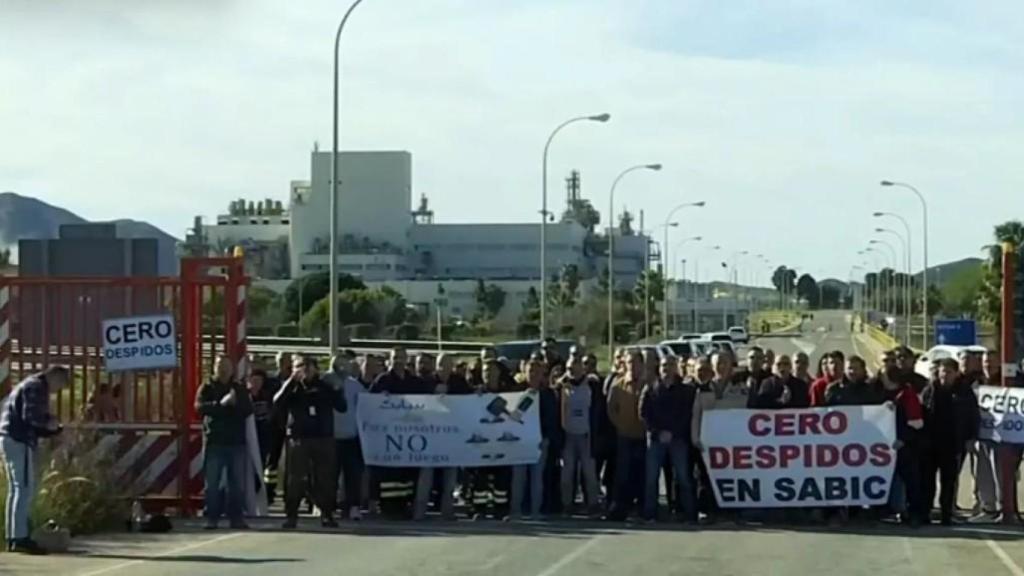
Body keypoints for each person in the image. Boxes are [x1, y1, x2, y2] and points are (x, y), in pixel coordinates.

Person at [1, 366, 69, 554]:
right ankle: (19, 537)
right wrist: (51, 425)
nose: (58, 389)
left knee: (17, 489)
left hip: (11, 437)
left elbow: (30, 417)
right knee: (23, 488)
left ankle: (14, 536)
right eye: (61, 384)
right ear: (54, 376)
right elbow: (31, 418)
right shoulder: (37, 387)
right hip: (19, 439)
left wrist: (51, 426)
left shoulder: (30, 384)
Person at [275, 354, 347, 529]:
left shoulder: (325, 387)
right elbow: (277, 403)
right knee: (295, 479)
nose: (304, 369)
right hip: (298, 439)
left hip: (322, 438)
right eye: (300, 366)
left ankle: (327, 514)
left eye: (308, 366)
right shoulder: (291, 388)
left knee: (325, 479)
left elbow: (342, 407)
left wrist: (337, 390)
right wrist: (291, 382)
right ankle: (291, 515)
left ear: (316, 368)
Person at [369, 347, 428, 519]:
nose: (398, 361)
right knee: (389, 474)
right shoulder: (382, 380)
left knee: (407, 473)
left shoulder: (415, 381)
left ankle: (404, 505)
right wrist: (380, 398)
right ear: (390, 360)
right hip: (389, 436)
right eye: (395, 358)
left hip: (410, 435)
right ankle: (388, 507)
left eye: (401, 358)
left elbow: (427, 402)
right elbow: (370, 403)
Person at [195, 355, 252, 531]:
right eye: (220, 366)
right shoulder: (207, 387)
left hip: (236, 443)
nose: (223, 370)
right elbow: (199, 408)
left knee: (237, 485)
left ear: (232, 369)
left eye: (226, 366)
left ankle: (236, 518)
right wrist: (221, 404)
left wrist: (235, 404)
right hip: (214, 442)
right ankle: (212, 518)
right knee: (212, 484)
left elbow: (248, 410)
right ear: (214, 368)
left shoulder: (239, 389)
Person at [922, 358, 979, 525]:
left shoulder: (964, 391)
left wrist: (971, 438)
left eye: (948, 371)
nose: (944, 375)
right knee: (927, 480)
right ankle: (926, 512)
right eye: (942, 371)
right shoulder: (930, 390)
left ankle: (947, 514)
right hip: (931, 442)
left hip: (953, 442)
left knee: (949, 481)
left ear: (955, 373)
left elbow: (973, 416)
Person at [414, 353, 471, 521]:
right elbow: (416, 402)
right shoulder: (427, 382)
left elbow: (471, 400)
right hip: (430, 435)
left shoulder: (458, 382)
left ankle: (447, 510)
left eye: (447, 365)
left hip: (452, 436)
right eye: (441, 365)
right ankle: (420, 511)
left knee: (450, 475)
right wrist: (433, 393)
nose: (444, 369)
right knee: (426, 474)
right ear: (436, 366)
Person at [640, 355, 697, 523]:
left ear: (676, 368)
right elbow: (643, 414)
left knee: (683, 478)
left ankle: (690, 514)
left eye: (671, 365)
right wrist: (658, 432)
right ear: (659, 368)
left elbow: (687, 415)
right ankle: (650, 514)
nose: (667, 368)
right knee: (651, 478)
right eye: (664, 365)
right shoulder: (650, 388)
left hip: (678, 439)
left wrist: (673, 432)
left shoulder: (686, 390)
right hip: (655, 440)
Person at [468, 359, 518, 519]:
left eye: (492, 370)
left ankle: (501, 510)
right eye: (485, 371)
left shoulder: (508, 392)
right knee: (479, 479)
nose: (488, 374)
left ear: (499, 372)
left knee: (502, 479)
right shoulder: (475, 394)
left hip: (502, 443)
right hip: (482, 443)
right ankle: (479, 509)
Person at [510, 356, 558, 520]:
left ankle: (535, 511)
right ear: (524, 372)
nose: (534, 375)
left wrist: (547, 438)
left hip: (539, 440)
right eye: (531, 371)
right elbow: (512, 414)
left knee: (537, 477)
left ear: (542, 374)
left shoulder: (548, 394)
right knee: (519, 477)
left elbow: (551, 418)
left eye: (537, 372)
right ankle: (516, 511)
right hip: (519, 441)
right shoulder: (516, 391)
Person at [878, 368, 925, 526]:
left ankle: (914, 514)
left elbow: (916, 423)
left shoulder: (907, 395)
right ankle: (889, 511)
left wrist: (903, 439)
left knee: (911, 481)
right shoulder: (881, 393)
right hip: (883, 448)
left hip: (905, 447)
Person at [324, 351, 366, 521]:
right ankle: (328, 507)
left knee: (352, 476)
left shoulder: (355, 385)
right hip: (329, 437)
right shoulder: (324, 382)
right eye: (338, 363)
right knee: (329, 476)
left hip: (351, 437)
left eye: (345, 363)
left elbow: (367, 405)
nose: (341, 366)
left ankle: (353, 507)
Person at [605, 350, 646, 521]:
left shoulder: (648, 385)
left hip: (644, 437)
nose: (632, 366)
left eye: (636, 363)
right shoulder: (617, 386)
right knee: (623, 474)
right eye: (629, 362)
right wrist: (620, 425)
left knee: (643, 474)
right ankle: (619, 509)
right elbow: (610, 410)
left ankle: (644, 508)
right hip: (625, 436)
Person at [560, 354, 602, 516]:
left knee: (589, 473)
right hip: (568, 435)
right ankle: (567, 504)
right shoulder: (562, 386)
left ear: (581, 368)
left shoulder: (592, 384)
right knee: (567, 473)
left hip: (587, 435)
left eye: (574, 368)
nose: (572, 371)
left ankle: (593, 503)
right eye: (569, 368)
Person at [262, 351, 292, 505]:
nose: (283, 364)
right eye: (280, 360)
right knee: (272, 461)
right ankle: (269, 492)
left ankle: (291, 494)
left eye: (286, 361)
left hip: (292, 425)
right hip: (275, 425)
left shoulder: (295, 380)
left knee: (292, 462)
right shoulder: (271, 381)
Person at [247, 368, 275, 488]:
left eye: (259, 381)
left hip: (263, 435)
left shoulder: (267, 396)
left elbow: (272, 412)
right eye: (254, 380)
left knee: (261, 463)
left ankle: (258, 486)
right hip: (248, 435)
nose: (256, 383)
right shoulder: (245, 396)